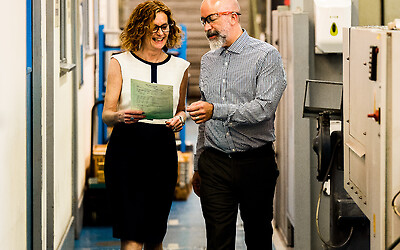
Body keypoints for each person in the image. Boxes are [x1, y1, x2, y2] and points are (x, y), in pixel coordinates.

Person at [186, 0, 287, 249]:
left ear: (233, 17)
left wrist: (215, 111)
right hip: (215, 163)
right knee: (218, 241)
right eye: (203, 21)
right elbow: (203, 118)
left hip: (255, 163)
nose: (207, 27)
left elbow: (263, 109)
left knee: (258, 237)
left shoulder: (266, 55)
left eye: (211, 19)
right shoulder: (209, 60)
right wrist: (199, 164)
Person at [102, 1, 190, 249]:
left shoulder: (180, 68)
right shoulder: (120, 62)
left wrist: (180, 119)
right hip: (126, 150)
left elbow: (181, 110)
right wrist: (120, 116)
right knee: (130, 237)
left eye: (164, 27)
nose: (160, 33)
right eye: (153, 28)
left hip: (161, 152)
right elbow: (107, 114)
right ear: (140, 29)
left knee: (154, 236)